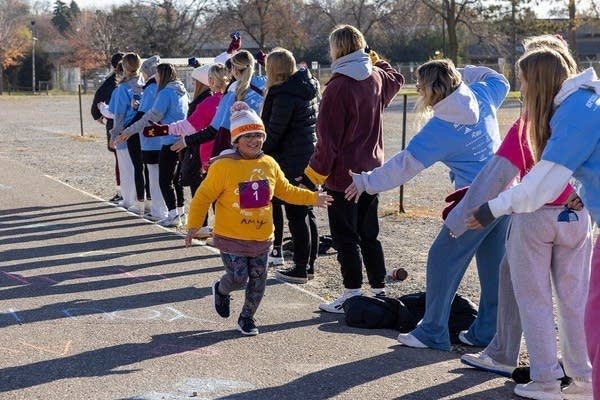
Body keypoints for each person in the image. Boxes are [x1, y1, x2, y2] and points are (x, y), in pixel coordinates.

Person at [345, 59, 510, 348]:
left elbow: (404, 166)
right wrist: (464, 72)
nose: (418, 90)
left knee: (442, 259)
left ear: (431, 90)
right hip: (505, 195)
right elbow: (500, 79)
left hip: (473, 201)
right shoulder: (483, 94)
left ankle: (433, 331)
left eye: (420, 85)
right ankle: (486, 332)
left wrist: (365, 182)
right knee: (492, 266)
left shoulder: (441, 128)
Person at [466, 48, 595, 400]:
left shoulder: (534, 122)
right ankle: (583, 377)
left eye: (522, 80)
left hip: (534, 217)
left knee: (534, 299)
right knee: (575, 300)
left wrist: (483, 209)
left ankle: (546, 379)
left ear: (534, 81)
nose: (519, 87)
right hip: (577, 216)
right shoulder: (582, 111)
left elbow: (517, 179)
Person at [184, 101, 332, 336]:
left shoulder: (269, 164)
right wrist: (193, 226)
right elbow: (202, 197)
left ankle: (247, 318)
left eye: (258, 135)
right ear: (236, 141)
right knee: (238, 278)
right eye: (248, 136)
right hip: (231, 235)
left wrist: (313, 198)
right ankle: (221, 290)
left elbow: (286, 191)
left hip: (261, 236)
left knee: (257, 281)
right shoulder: (223, 167)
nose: (254, 140)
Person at [299, 24, 404, 312]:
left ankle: (352, 291)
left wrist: (310, 177)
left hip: (344, 175)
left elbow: (328, 142)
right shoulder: (376, 76)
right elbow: (397, 78)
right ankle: (379, 287)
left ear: (337, 48)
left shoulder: (337, 86)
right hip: (372, 171)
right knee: (369, 233)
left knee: (346, 236)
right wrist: (377, 59)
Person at [260, 47, 320, 284]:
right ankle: (309, 264)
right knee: (307, 210)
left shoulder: (284, 95)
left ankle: (301, 267)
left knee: (296, 214)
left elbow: (275, 132)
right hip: (306, 156)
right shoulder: (306, 88)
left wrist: (258, 147)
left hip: (291, 159)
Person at [116, 63, 189, 227]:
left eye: (156, 73)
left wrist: (128, 131)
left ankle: (172, 215)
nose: (154, 77)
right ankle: (181, 212)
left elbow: (150, 117)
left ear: (161, 74)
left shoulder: (165, 93)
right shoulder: (182, 92)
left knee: (165, 181)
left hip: (168, 140)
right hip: (181, 139)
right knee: (176, 180)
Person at [170, 50, 266, 159]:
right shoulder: (266, 84)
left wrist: (187, 141)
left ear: (234, 70)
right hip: (264, 148)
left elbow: (216, 129)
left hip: (239, 153)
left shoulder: (232, 93)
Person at [107, 53, 144, 211]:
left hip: (125, 131)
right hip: (141, 130)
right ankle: (141, 199)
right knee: (141, 167)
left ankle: (129, 200)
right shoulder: (145, 84)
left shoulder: (122, 88)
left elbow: (118, 114)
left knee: (127, 168)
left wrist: (113, 135)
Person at [91, 52, 124, 203]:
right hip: (133, 126)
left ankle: (123, 192)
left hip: (116, 125)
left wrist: (101, 116)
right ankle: (131, 192)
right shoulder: (139, 81)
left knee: (121, 160)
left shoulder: (112, 83)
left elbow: (96, 103)